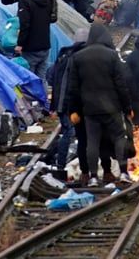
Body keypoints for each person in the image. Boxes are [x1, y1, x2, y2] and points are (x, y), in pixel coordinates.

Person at [66, 23, 133, 186]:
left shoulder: (78, 57)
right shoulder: (111, 55)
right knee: (119, 138)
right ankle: (123, 173)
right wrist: (127, 108)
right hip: (112, 108)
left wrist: (74, 110)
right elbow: (121, 84)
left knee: (93, 142)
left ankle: (94, 176)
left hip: (90, 109)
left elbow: (73, 87)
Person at [49, 27, 90, 170]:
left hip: (61, 102)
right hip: (73, 103)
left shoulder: (64, 55)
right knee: (73, 133)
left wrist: (55, 104)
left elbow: (50, 77)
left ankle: (61, 164)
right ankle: (63, 164)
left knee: (69, 132)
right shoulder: (83, 57)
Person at [1, 0, 54, 86]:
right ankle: (43, 97)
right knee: (41, 80)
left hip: (31, 48)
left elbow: (25, 24)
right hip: (45, 45)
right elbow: (6, 1)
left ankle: (32, 97)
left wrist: (20, 44)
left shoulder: (25, 2)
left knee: (29, 81)